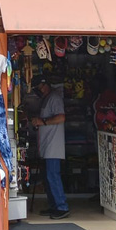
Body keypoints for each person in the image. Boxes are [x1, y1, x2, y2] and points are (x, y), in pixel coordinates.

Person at [31, 76, 69, 219]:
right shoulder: (46, 99)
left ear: (46, 85)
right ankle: (54, 206)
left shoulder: (55, 98)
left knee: (53, 175)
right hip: (46, 144)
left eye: (41, 87)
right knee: (48, 177)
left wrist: (43, 121)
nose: (39, 91)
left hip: (54, 145)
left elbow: (61, 117)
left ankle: (62, 207)